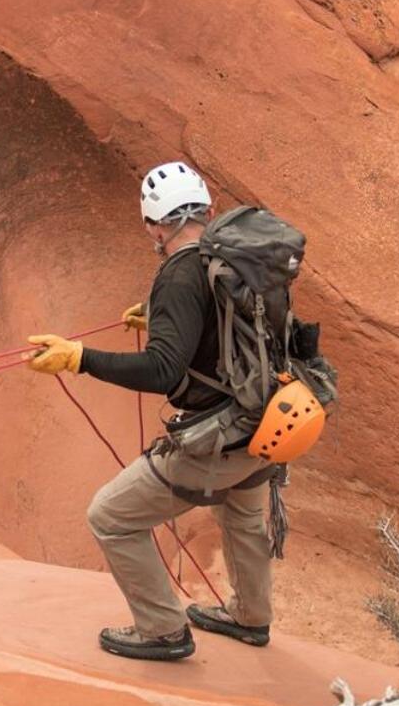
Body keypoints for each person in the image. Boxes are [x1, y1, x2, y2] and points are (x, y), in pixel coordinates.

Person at [26, 161, 277, 662]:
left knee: (111, 516)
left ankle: (163, 630)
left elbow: (162, 371)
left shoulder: (180, 276)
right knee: (245, 516)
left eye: (150, 227)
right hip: (268, 420)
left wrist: (80, 358)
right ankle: (251, 616)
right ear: (206, 211)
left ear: (156, 224)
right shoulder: (238, 256)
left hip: (218, 436)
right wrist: (164, 320)